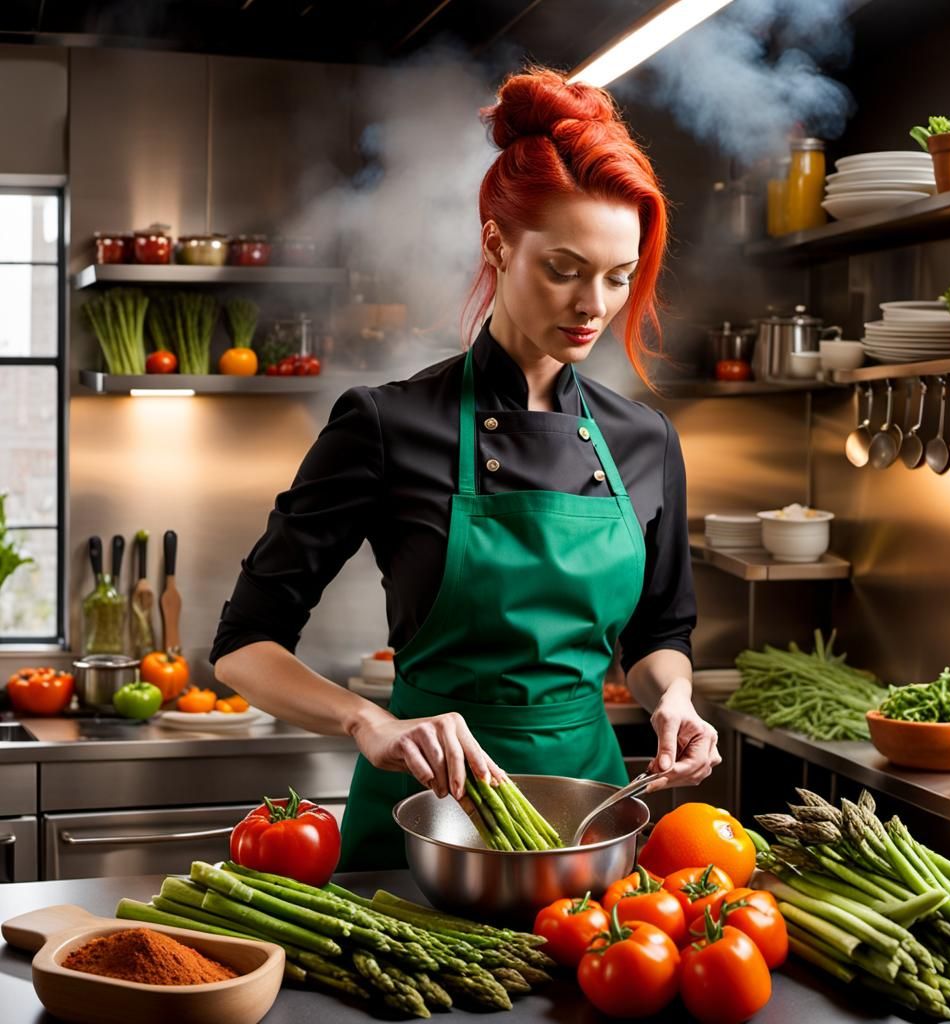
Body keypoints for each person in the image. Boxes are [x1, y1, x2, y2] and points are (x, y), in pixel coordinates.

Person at [211, 66, 721, 870]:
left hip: (590, 821)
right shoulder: (384, 424)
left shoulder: (644, 438)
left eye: (619, 278)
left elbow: (659, 635)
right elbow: (243, 644)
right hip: (424, 824)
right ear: (497, 243)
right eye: (565, 268)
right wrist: (366, 721)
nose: (594, 304)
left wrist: (677, 700)